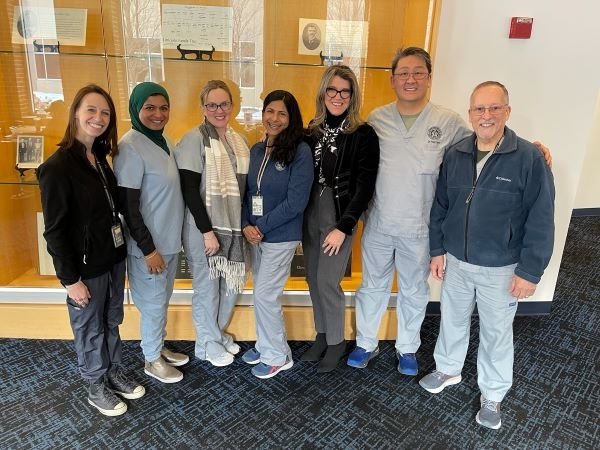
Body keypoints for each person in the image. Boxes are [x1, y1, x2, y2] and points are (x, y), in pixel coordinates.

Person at [347, 47, 552, 375]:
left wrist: (533, 150)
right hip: (380, 223)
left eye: (418, 72)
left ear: (429, 78)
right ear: (392, 79)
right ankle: (365, 343)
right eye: (403, 73)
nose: (410, 79)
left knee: (414, 289)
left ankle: (407, 348)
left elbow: (487, 138)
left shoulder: (449, 122)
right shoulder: (377, 120)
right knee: (372, 286)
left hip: (419, 227)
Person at [419, 81, 555, 430]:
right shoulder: (457, 153)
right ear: (470, 114)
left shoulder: (529, 158)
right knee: (452, 318)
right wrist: (437, 249)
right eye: (479, 109)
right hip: (457, 261)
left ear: (507, 112)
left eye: (494, 108)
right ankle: (448, 369)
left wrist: (530, 271)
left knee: (496, 332)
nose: (486, 115)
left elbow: (541, 219)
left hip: (501, 267)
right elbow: (441, 207)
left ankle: (492, 394)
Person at [38, 84, 144, 416]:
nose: (98, 118)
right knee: (89, 326)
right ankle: (95, 385)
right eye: (91, 110)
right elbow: (54, 231)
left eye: (105, 113)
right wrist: (70, 280)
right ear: (75, 114)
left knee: (112, 319)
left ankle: (113, 371)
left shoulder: (98, 157)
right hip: (85, 268)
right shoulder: (57, 167)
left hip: (111, 257)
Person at [300, 65, 379, 373]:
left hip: (339, 212)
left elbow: (364, 186)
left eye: (345, 92)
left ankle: (336, 341)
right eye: (332, 90)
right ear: (323, 93)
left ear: (352, 96)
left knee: (327, 280)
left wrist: (344, 227)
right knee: (312, 278)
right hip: (311, 209)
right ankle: (322, 334)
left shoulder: (363, 134)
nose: (338, 96)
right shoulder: (312, 130)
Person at [113, 82, 187, 384]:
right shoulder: (130, 147)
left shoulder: (164, 140)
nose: (158, 114)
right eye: (150, 108)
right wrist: (148, 249)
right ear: (136, 109)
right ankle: (152, 359)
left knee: (161, 299)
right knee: (154, 304)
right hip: (149, 247)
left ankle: (157, 345)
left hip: (168, 241)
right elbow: (128, 208)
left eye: (163, 107)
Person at [175, 80, 250, 367]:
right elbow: (190, 190)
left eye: (224, 104)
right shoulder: (194, 140)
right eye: (212, 105)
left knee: (230, 286)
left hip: (231, 229)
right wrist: (207, 232)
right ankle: (206, 344)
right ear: (203, 108)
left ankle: (215, 335)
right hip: (201, 228)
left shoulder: (238, 140)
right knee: (207, 289)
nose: (219, 110)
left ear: (233, 106)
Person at [240, 90, 313, 379]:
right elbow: (248, 192)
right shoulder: (257, 150)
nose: (274, 118)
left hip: (280, 236)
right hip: (255, 235)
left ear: (291, 118)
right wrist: (247, 223)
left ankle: (277, 355)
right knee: (261, 293)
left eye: (282, 113)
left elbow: (296, 202)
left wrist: (261, 227)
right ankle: (264, 343)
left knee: (265, 295)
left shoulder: (300, 152)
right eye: (270, 111)